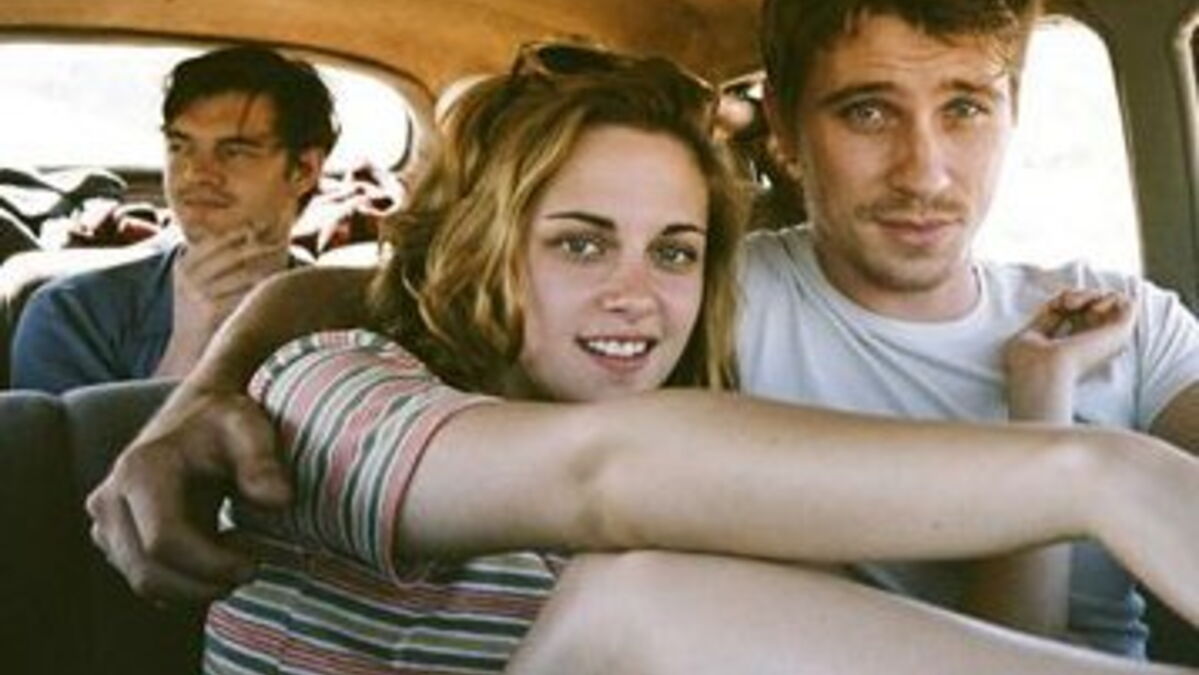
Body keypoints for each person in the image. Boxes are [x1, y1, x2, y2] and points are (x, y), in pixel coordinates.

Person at [87, 44, 1199, 674]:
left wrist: (1045, 405)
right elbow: (597, 470)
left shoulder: (700, 474)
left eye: (673, 250)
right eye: (579, 243)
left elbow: (986, 653)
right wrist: (1098, 474)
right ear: (477, 247)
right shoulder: (324, 389)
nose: (636, 293)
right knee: (635, 609)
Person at [737, 0, 1199, 657]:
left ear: (1013, 110)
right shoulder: (711, 301)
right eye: (867, 111)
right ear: (783, 124)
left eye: (964, 108)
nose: (923, 174)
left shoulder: (1128, 321)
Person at [10, 45, 337, 393]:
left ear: (304, 169)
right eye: (180, 147)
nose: (196, 172)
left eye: (234, 151)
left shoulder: (342, 311)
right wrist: (191, 343)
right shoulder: (72, 313)